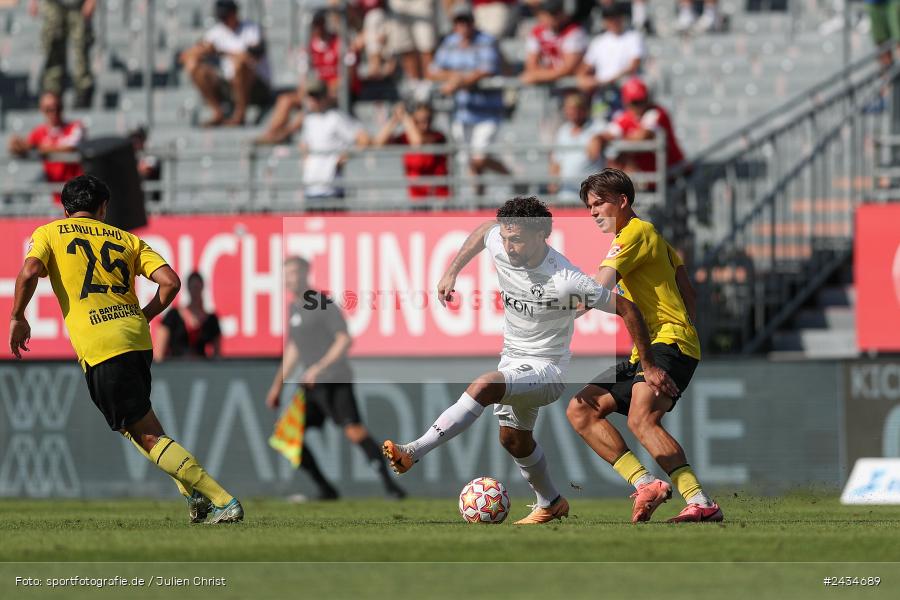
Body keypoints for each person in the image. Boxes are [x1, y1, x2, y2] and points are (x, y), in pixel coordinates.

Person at [383, 196, 677, 525]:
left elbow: (627, 308)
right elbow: (484, 231)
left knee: (485, 385)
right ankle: (551, 501)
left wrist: (649, 365)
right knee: (513, 439)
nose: (508, 246)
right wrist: (452, 272)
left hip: (547, 370)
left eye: (517, 240)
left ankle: (414, 451)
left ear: (541, 236)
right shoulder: (501, 241)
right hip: (514, 360)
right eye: (506, 238)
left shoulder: (567, 278)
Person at [8, 175, 243, 524]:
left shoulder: (50, 233)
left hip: (101, 346)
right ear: (103, 207)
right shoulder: (127, 239)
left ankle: (221, 499)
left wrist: (17, 317)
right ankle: (194, 497)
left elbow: (30, 271)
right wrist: (142, 316)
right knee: (139, 425)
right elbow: (171, 283)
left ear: (66, 207)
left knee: (145, 434)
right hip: (136, 339)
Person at [566, 168, 723, 523]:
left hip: (669, 343)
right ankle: (645, 483)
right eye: (589, 206)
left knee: (641, 418)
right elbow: (689, 290)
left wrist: (548, 311)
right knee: (581, 409)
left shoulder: (634, 233)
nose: (593, 212)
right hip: (654, 348)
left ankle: (701, 502)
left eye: (599, 203)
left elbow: (595, 290)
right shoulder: (656, 237)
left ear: (622, 201)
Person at [266, 256, 406, 501]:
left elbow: (344, 339)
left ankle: (391, 486)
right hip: (312, 387)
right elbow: (294, 349)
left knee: (354, 431)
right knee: (287, 435)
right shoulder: (293, 307)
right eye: (287, 274)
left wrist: (318, 368)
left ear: (306, 273)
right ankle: (326, 489)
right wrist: (277, 385)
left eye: (295, 273)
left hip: (333, 379)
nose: (290, 278)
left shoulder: (321, 302)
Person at [428, 4, 510, 196]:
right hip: (462, 111)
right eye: (459, 22)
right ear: (454, 24)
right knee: (468, 160)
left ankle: (511, 176)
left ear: (473, 22)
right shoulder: (450, 42)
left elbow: (486, 69)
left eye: (466, 21)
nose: (463, 26)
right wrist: (456, 77)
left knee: (478, 157)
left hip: (487, 110)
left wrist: (458, 81)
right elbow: (433, 72)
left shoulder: (486, 40)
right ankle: (478, 197)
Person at [179, 0, 271, 127]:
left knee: (240, 65)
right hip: (229, 85)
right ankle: (218, 112)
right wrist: (204, 51)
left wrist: (221, 52)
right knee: (194, 66)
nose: (224, 20)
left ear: (234, 13)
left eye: (226, 16)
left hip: (256, 86)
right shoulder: (216, 32)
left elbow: (253, 55)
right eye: (221, 16)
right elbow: (185, 57)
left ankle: (240, 114)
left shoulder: (251, 28)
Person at [299, 79, 370, 204]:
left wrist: (344, 157)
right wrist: (307, 162)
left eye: (317, 96)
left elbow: (363, 139)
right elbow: (305, 145)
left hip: (332, 188)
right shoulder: (309, 120)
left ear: (325, 97)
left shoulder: (336, 118)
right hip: (311, 186)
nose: (313, 100)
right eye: (311, 96)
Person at [7, 92, 85, 203]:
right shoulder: (38, 133)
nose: (54, 112)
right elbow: (26, 147)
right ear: (42, 110)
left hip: (78, 193)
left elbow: (71, 147)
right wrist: (16, 145)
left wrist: (41, 149)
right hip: (57, 196)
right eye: (49, 109)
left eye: (57, 108)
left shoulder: (75, 127)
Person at [603, 78, 685, 174]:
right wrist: (598, 139)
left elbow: (643, 136)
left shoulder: (657, 112)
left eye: (642, 100)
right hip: (651, 178)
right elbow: (607, 135)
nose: (640, 105)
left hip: (673, 174)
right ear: (626, 102)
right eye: (635, 102)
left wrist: (621, 151)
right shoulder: (625, 117)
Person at [373, 102, 449, 204]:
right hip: (416, 198)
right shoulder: (406, 137)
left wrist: (406, 119)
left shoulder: (438, 136)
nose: (425, 125)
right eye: (419, 121)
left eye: (428, 120)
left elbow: (417, 143)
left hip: (439, 197)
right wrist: (395, 119)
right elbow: (378, 143)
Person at [577, 3, 643, 114]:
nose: (613, 22)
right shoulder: (598, 42)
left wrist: (609, 80)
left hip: (625, 92)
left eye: (616, 17)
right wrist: (585, 80)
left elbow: (633, 65)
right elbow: (584, 68)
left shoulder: (633, 37)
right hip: (602, 94)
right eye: (609, 18)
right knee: (601, 122)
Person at [29, 0, 96, 107]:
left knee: (80, 49)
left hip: (78, 5)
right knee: (53, 47)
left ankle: (83, 93)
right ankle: (53, 94)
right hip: (53, 4)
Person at [548, 91, 605, 200]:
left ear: (584, 110)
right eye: (569, 109)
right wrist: (553, 183)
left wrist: (600, 138)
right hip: (566, 194)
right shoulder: (563, 130)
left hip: (591, 195)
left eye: (576, 109)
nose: (573, 113)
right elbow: (556, 160)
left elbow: (613, 134)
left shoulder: (597, 126)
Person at [154, 272, 222, 361]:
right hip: (176, 368)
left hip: (201, 369)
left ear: (202, 288)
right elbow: (159, 352)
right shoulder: (173, 316)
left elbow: (217, 355)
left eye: (198, 287)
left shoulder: (211, 320)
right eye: (193, 287)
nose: (195, 291)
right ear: (188, 289)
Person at [520, 0, 588, 86]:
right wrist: (538, 75)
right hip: (546, 83)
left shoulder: (574, 32)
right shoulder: (537, 32)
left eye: (555, 14)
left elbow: (569, 68)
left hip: (570, 85)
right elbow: (531, 64)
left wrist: (538, 77)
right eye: (548, 14)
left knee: (573, 99)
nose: (551, 18)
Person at [387, 0, 437, 81]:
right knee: (406, 48)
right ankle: (415, 86)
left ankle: (430, 86)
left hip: (421, 3)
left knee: (427, 47)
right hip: (398, 4)